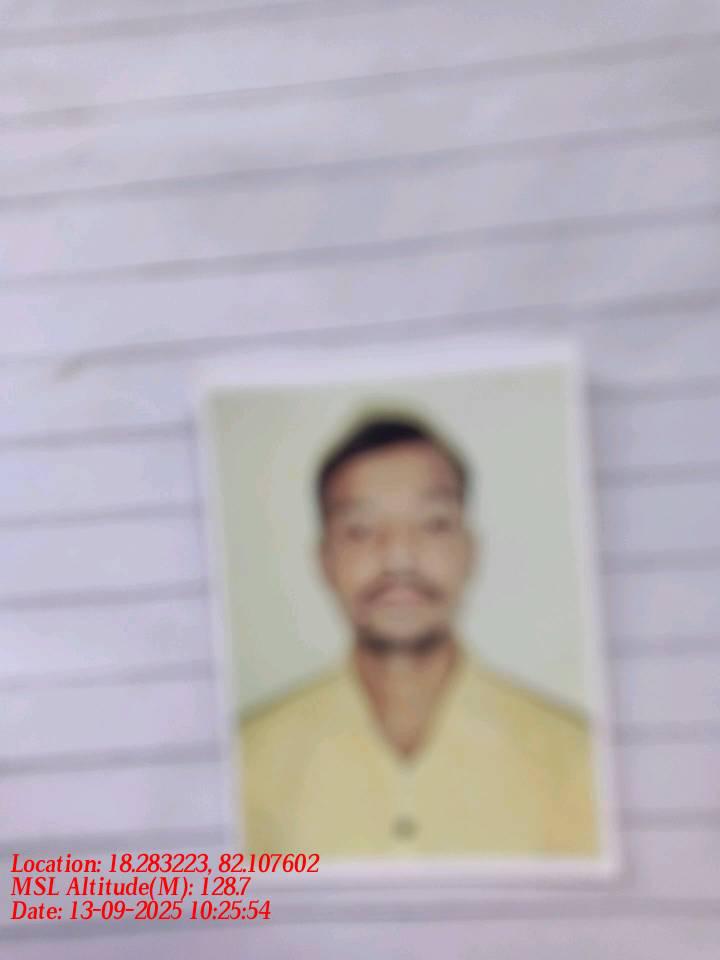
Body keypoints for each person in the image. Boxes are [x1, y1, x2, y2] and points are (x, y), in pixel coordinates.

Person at [236, 414, 599, 857]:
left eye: (433, 523)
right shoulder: (244, 766)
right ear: (324, 560)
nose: (399, 556)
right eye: (360, 530)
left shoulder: (581, 762)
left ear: (470, 552)